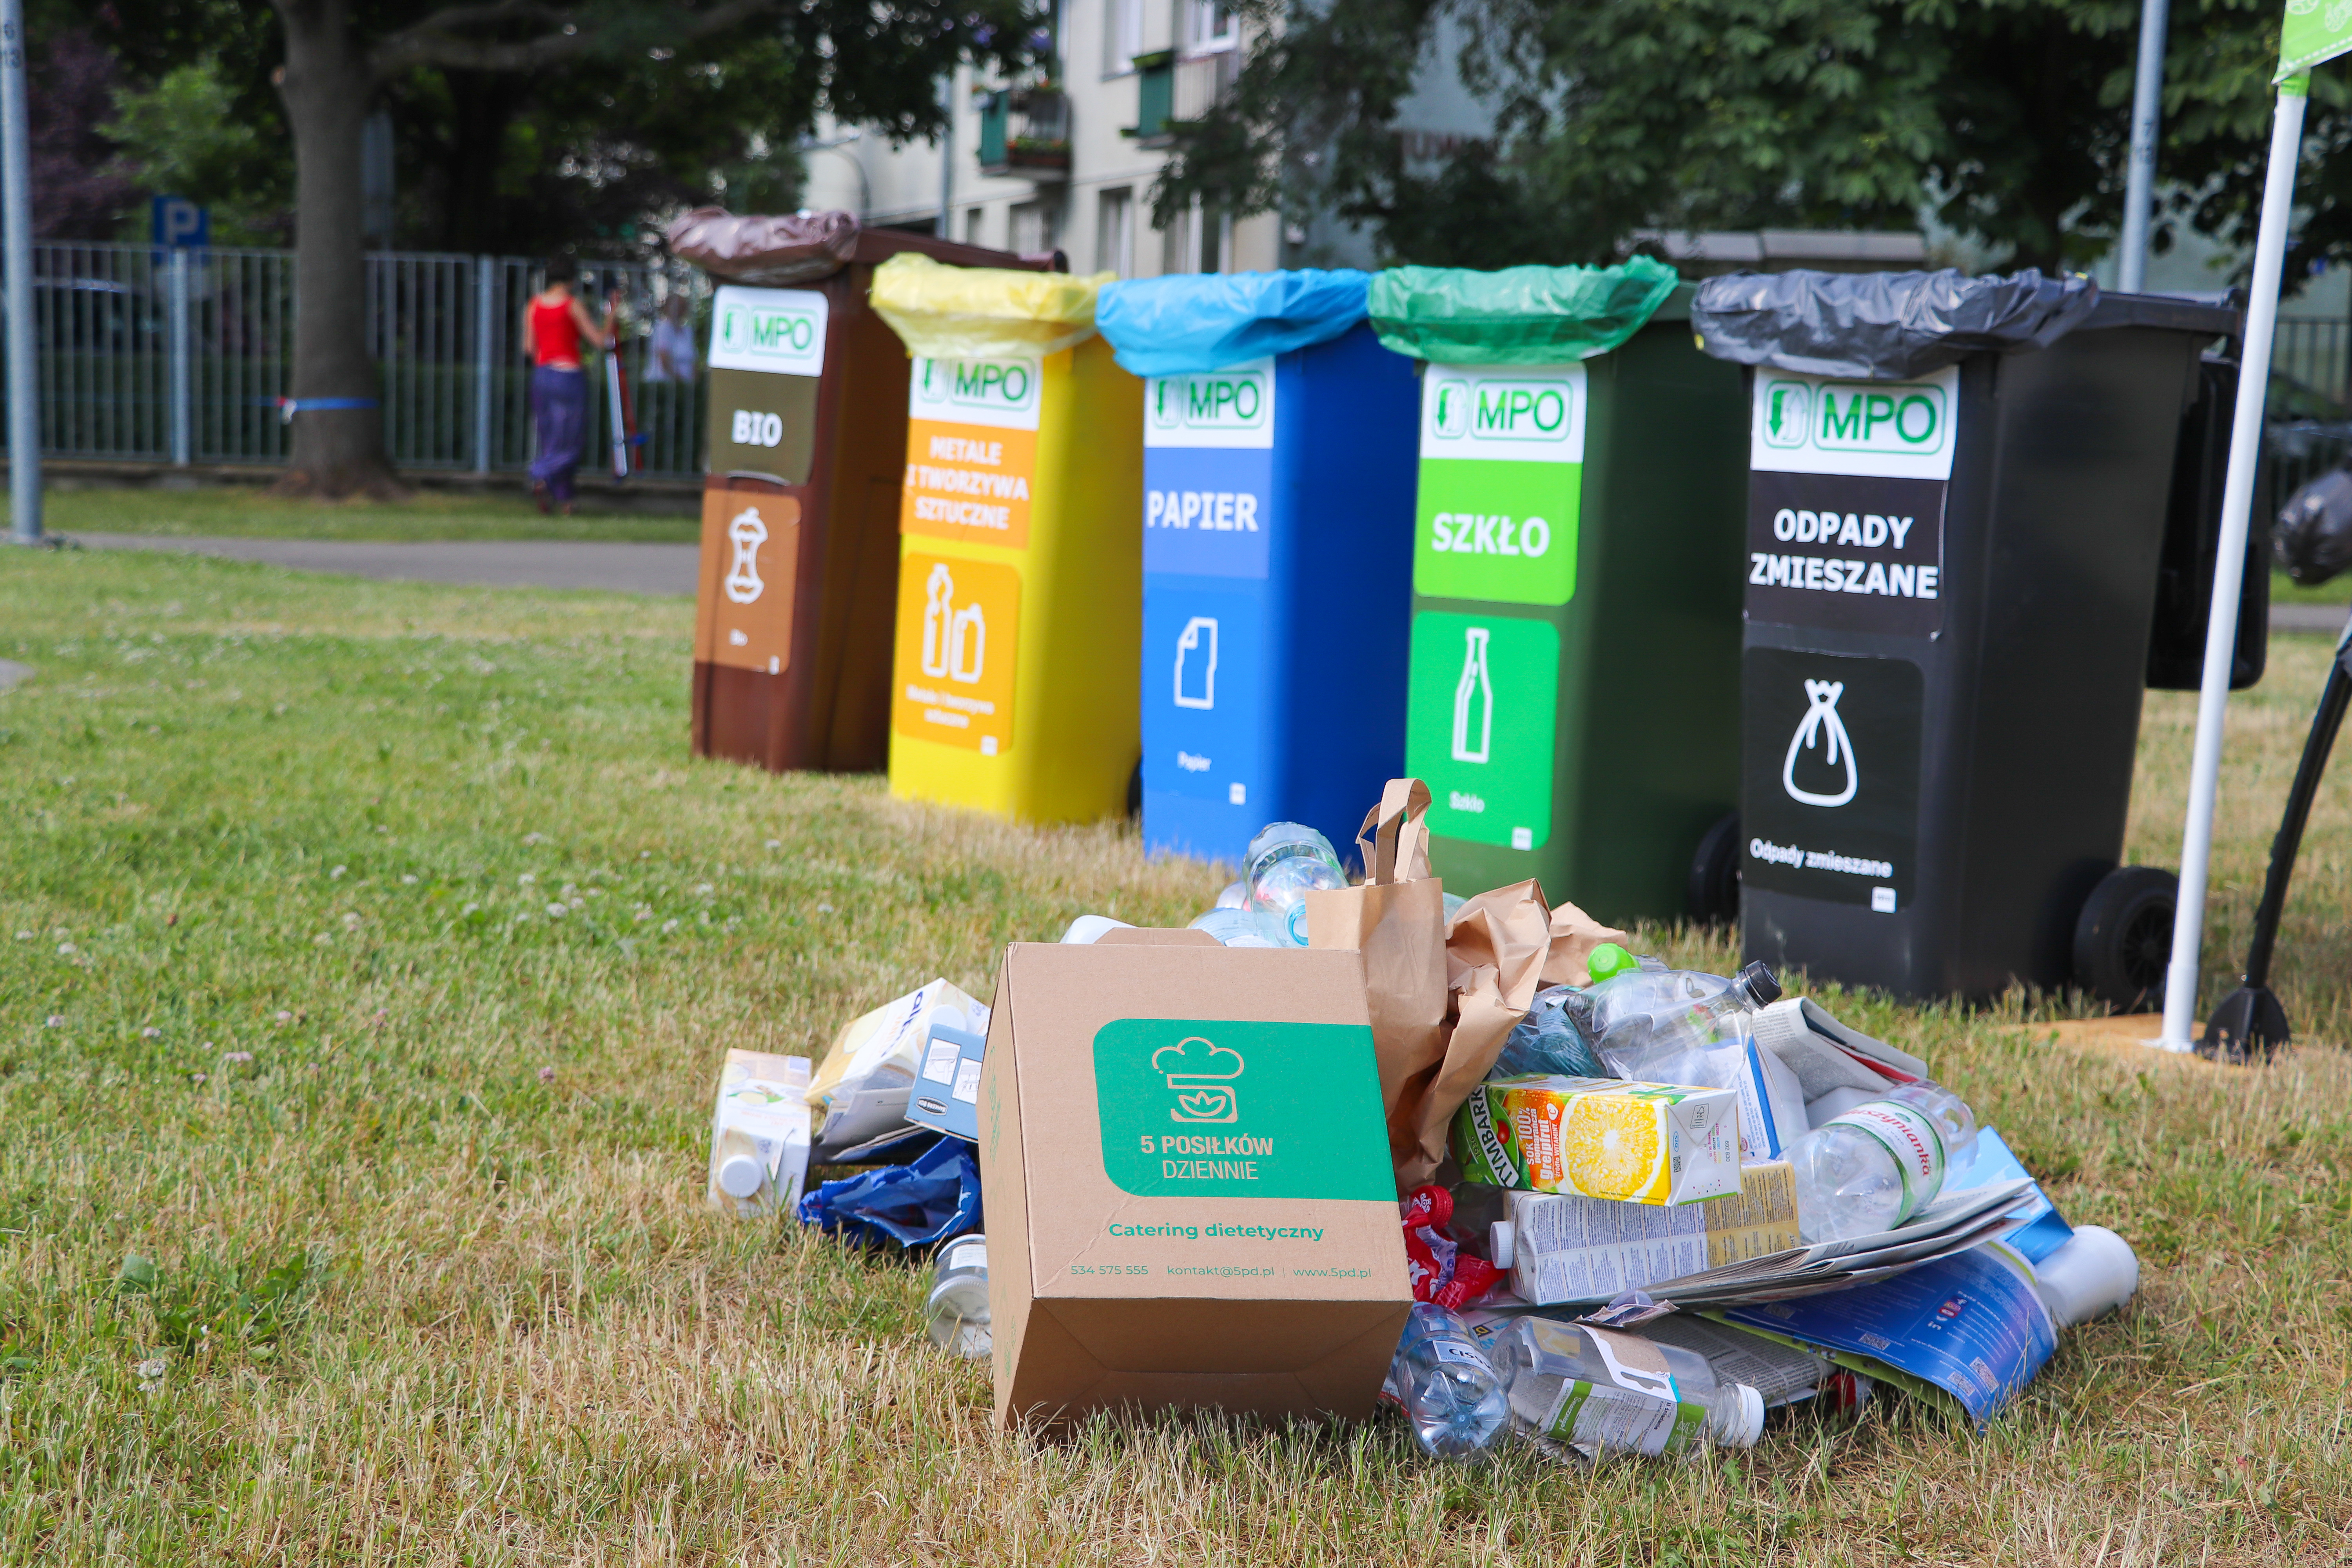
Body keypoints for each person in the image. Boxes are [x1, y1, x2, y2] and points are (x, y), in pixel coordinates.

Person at [523, 258, 617, 514]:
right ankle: (541, 474)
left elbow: (529, 348)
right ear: (571, 280)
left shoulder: (533, 306)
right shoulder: (572, 305)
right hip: (568, 377)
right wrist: (612, 315)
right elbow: (599, 340)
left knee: (550, 438)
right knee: (571, 440)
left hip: (542, 376)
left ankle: (565, 500)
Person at [644, 294, 698, 383]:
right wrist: (681, 382)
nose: (679, 310)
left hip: (686, 385)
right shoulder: (662, 329)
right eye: (677, 306)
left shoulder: (688, 331)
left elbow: (694, 362)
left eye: (683, 307)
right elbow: (664, 360)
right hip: (663, 383)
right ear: (667, 308)